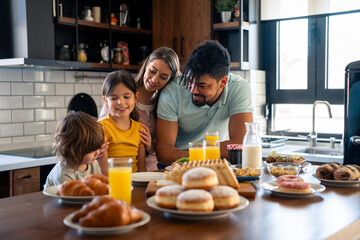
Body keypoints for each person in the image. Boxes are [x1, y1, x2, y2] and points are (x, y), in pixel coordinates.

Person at [156, 40, 254, 166]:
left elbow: (240, 143)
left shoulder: (239, 88)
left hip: (216, 165)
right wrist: (208, 154)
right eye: (189, 81)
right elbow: (163, 153)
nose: (193, 90)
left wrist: (197, 154)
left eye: (202, 85)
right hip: (177, 166)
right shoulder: (172, 91)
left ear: (223, 82)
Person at [99, 47, 181, 171]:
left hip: (151, 169)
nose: (154, 79)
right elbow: (99, 140)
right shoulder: (123, 94)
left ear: (170, 80)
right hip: (117, 171)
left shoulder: (165, 104)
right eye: (152, 71)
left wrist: (150, 147)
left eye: (163, 77)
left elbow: (161, 147)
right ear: (146, 66)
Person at [98, 70, 147, 174]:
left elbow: (142, 169)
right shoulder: (102, 128)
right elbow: (104, 172)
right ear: (106, 101)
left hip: (135, 183)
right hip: (113, 183)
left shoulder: (140, 129)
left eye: (126, 97)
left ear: (136, 97)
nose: (121, 102)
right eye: (114, 98)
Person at [44, 111, 104, 189]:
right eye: (91, 151)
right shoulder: (64, 174)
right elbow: (71, 198)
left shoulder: (93, 164)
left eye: (98, 148)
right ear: (73, 149)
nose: (97, 153)